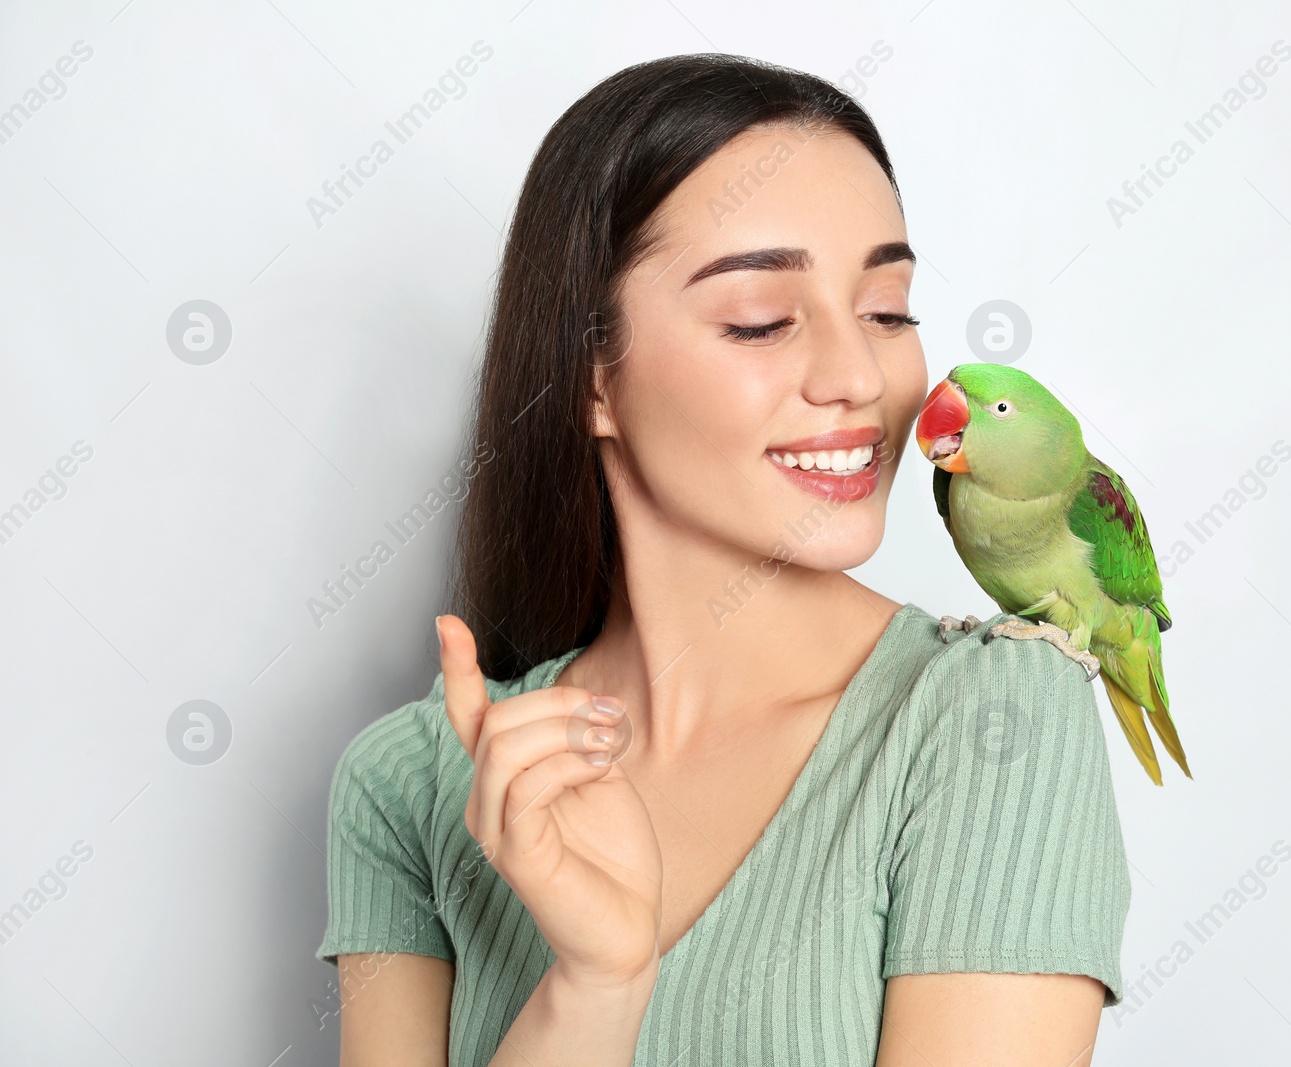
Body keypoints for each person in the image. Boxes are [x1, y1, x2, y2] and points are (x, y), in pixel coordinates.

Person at [316, 52, 1131, 1066]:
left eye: (887, 310)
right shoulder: (411, 780)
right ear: (591, 380)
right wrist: (594, 989)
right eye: (760, 320)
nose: (858, 377)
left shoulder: (995, 714)